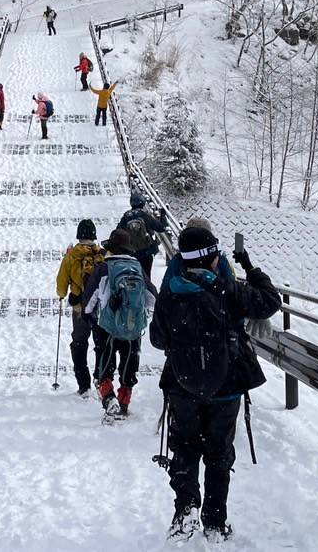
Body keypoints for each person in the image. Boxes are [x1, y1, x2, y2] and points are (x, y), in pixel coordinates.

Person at [150, 224, 282, 542]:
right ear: (211, 257)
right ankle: (215, 521)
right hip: (226, 387)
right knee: (219, 454)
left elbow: (157, 339)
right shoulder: (228, 289)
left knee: (183, 449)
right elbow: (270, 300)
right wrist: (249, 265)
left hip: (182, 386)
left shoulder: (170, 291)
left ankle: (185, 510)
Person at [82, 227, 156, 419]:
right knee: (129, 363)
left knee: (105, 363)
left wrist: (88, 316)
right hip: (133, 326)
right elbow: (152, 298)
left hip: (107, 326)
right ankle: (124, 400)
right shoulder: (137, 268)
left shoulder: (103, 268)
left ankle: (109, 398)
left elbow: (89, 300)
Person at [55, 218, 105, 395]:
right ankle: (102, 378)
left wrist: (62, 295)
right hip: (100, 306)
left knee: (79, 342)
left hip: (80, 306)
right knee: (101, 342)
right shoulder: (102, 254)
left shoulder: (72, 255)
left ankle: (84, 385)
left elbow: (61, 283)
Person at [119, 190, 168, 281]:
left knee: (133, 277)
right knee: (146, 277)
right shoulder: (144, 215)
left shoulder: (126, 216)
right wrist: (163, 217)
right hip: (146, 252)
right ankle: (147, 292)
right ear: (142, 203)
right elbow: (161, 228)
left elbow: (118, 232)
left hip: (131, 253)